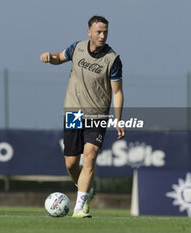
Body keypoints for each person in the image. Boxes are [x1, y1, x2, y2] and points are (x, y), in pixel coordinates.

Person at [40, 15, 125, 218]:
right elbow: (59, 57)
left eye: (105, 31)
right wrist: (49, 57)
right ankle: (86, 191)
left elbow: (118, 92)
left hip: (97, 115)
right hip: (73, 113)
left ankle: (79, 207)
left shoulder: (112, 59)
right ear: (89, 32)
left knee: (90, 156)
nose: (102, 35)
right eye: (98, 31)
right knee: (70, 163)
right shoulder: (77, 48)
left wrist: (118, 119)